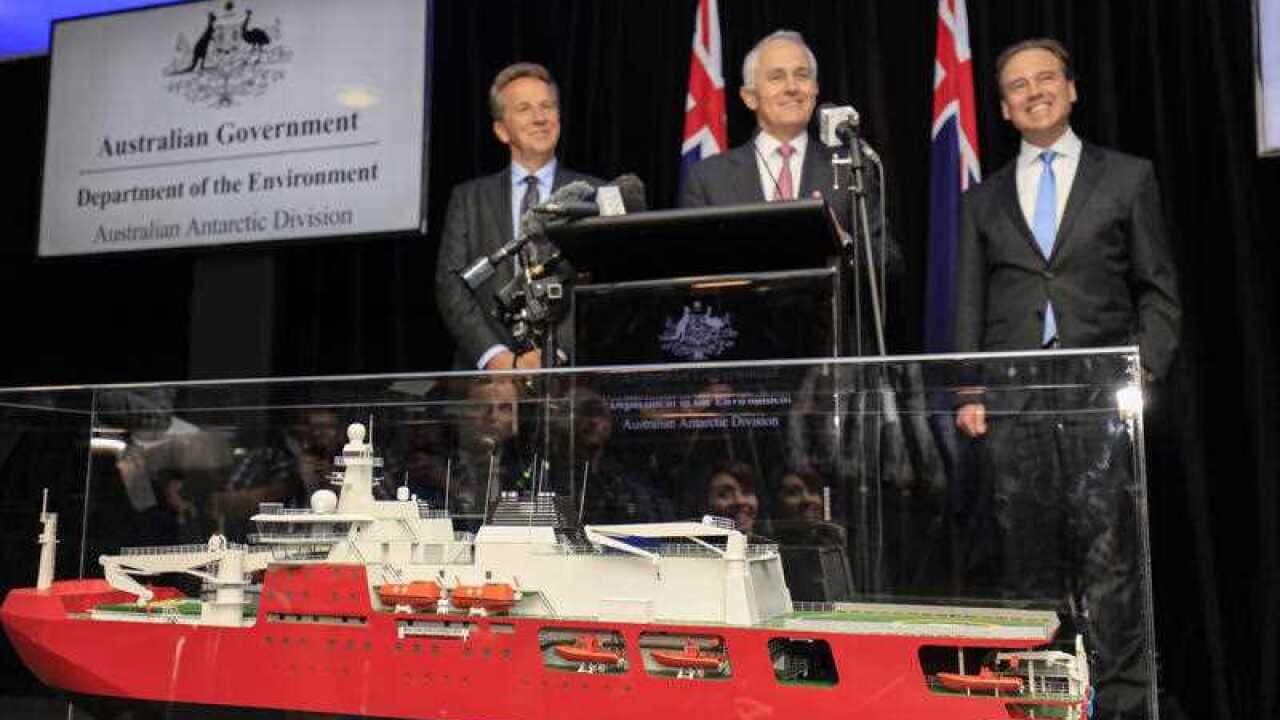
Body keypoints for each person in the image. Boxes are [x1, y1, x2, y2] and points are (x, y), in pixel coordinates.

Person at [953, 38, 1181, 720]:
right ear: (1003, 107)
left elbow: (1159, 292)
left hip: (1100, 402)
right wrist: (970, 391)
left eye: (1045, 78)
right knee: (1028, 569)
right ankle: (1036, 703)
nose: (1034, 91)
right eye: (1018, 86)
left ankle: (1123, 706)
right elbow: (969, 302)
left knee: (1113, 569)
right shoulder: (982, 199)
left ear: (1072, 89)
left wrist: (1142, 374)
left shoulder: (1127, 178)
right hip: (1016, 405)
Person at [679, 30, 899, 299]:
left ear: (815, 90)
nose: (792, 87)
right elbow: (688, 279)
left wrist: (845, 245)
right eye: (776, 77)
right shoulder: (708, 178)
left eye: (802, 75)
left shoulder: (852, 166)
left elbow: (890, 268)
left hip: (833, 334)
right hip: (746, 334)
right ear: (749, 97)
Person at [435, 62, 600, 371]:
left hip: (571, 379)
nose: (540, 118)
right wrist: (497, 358)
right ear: (501, 129)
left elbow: (604, 289)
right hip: (487, 389)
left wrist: (555, 354)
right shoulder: (468, 199)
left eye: (547, 106)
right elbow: (452, 286)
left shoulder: (594, 195)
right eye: (524, 108)